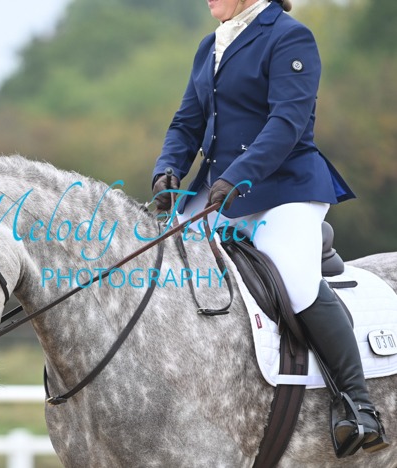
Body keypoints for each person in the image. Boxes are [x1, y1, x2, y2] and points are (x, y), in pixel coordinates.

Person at [151, 0, 389, 456]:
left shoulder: (288, 36)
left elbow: (286, 123)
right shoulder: (210, 45)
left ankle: (359, 406)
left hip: (284, 188)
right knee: (160, 263)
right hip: (219, 189)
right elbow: (186, 122)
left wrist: (237, 176)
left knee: (295, 283)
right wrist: (167, 170)